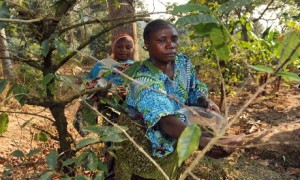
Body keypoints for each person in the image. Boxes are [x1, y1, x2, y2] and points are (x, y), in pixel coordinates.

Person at [125, 19, 244, 159]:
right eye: (161, 40)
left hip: (179, 134)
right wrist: (200, 141)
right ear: (147, 44)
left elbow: (193, 87)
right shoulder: (143, 79)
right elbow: (164, 119)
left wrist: (203, 101)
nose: (171, 45)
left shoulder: (182, 63)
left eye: (174, 39)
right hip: (144, 146)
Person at [73, 33, 135, 136]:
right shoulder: (101, 64)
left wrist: (126, 92)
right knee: (109, 131)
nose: (123, 50)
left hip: (127, 106)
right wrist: (101, 88)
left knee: (122, 134)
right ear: (113, 47)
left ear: (133, 49)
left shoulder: (135, 67)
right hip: (106, 104)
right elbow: (87, 85)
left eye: (128, 47)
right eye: (119, 46)